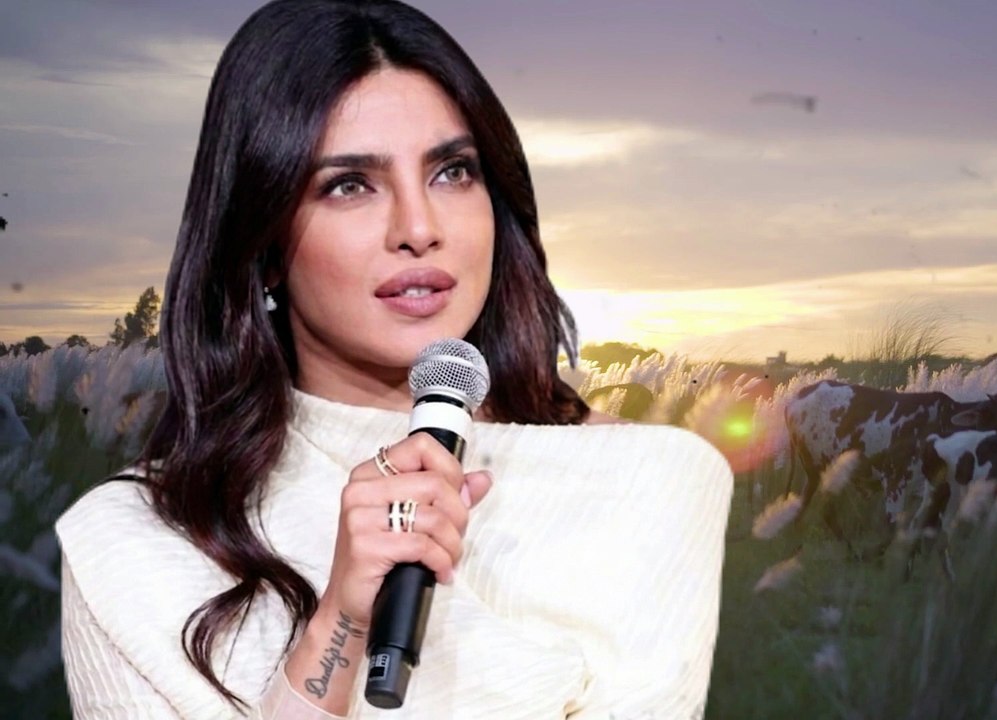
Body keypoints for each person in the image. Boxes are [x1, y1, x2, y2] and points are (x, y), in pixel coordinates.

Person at [54, 1, 734, 717]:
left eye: (452, 172)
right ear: (264, 243)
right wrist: (339, 621)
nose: (418, 228)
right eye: (350, 185)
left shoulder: (649, 480)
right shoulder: (133, 544)